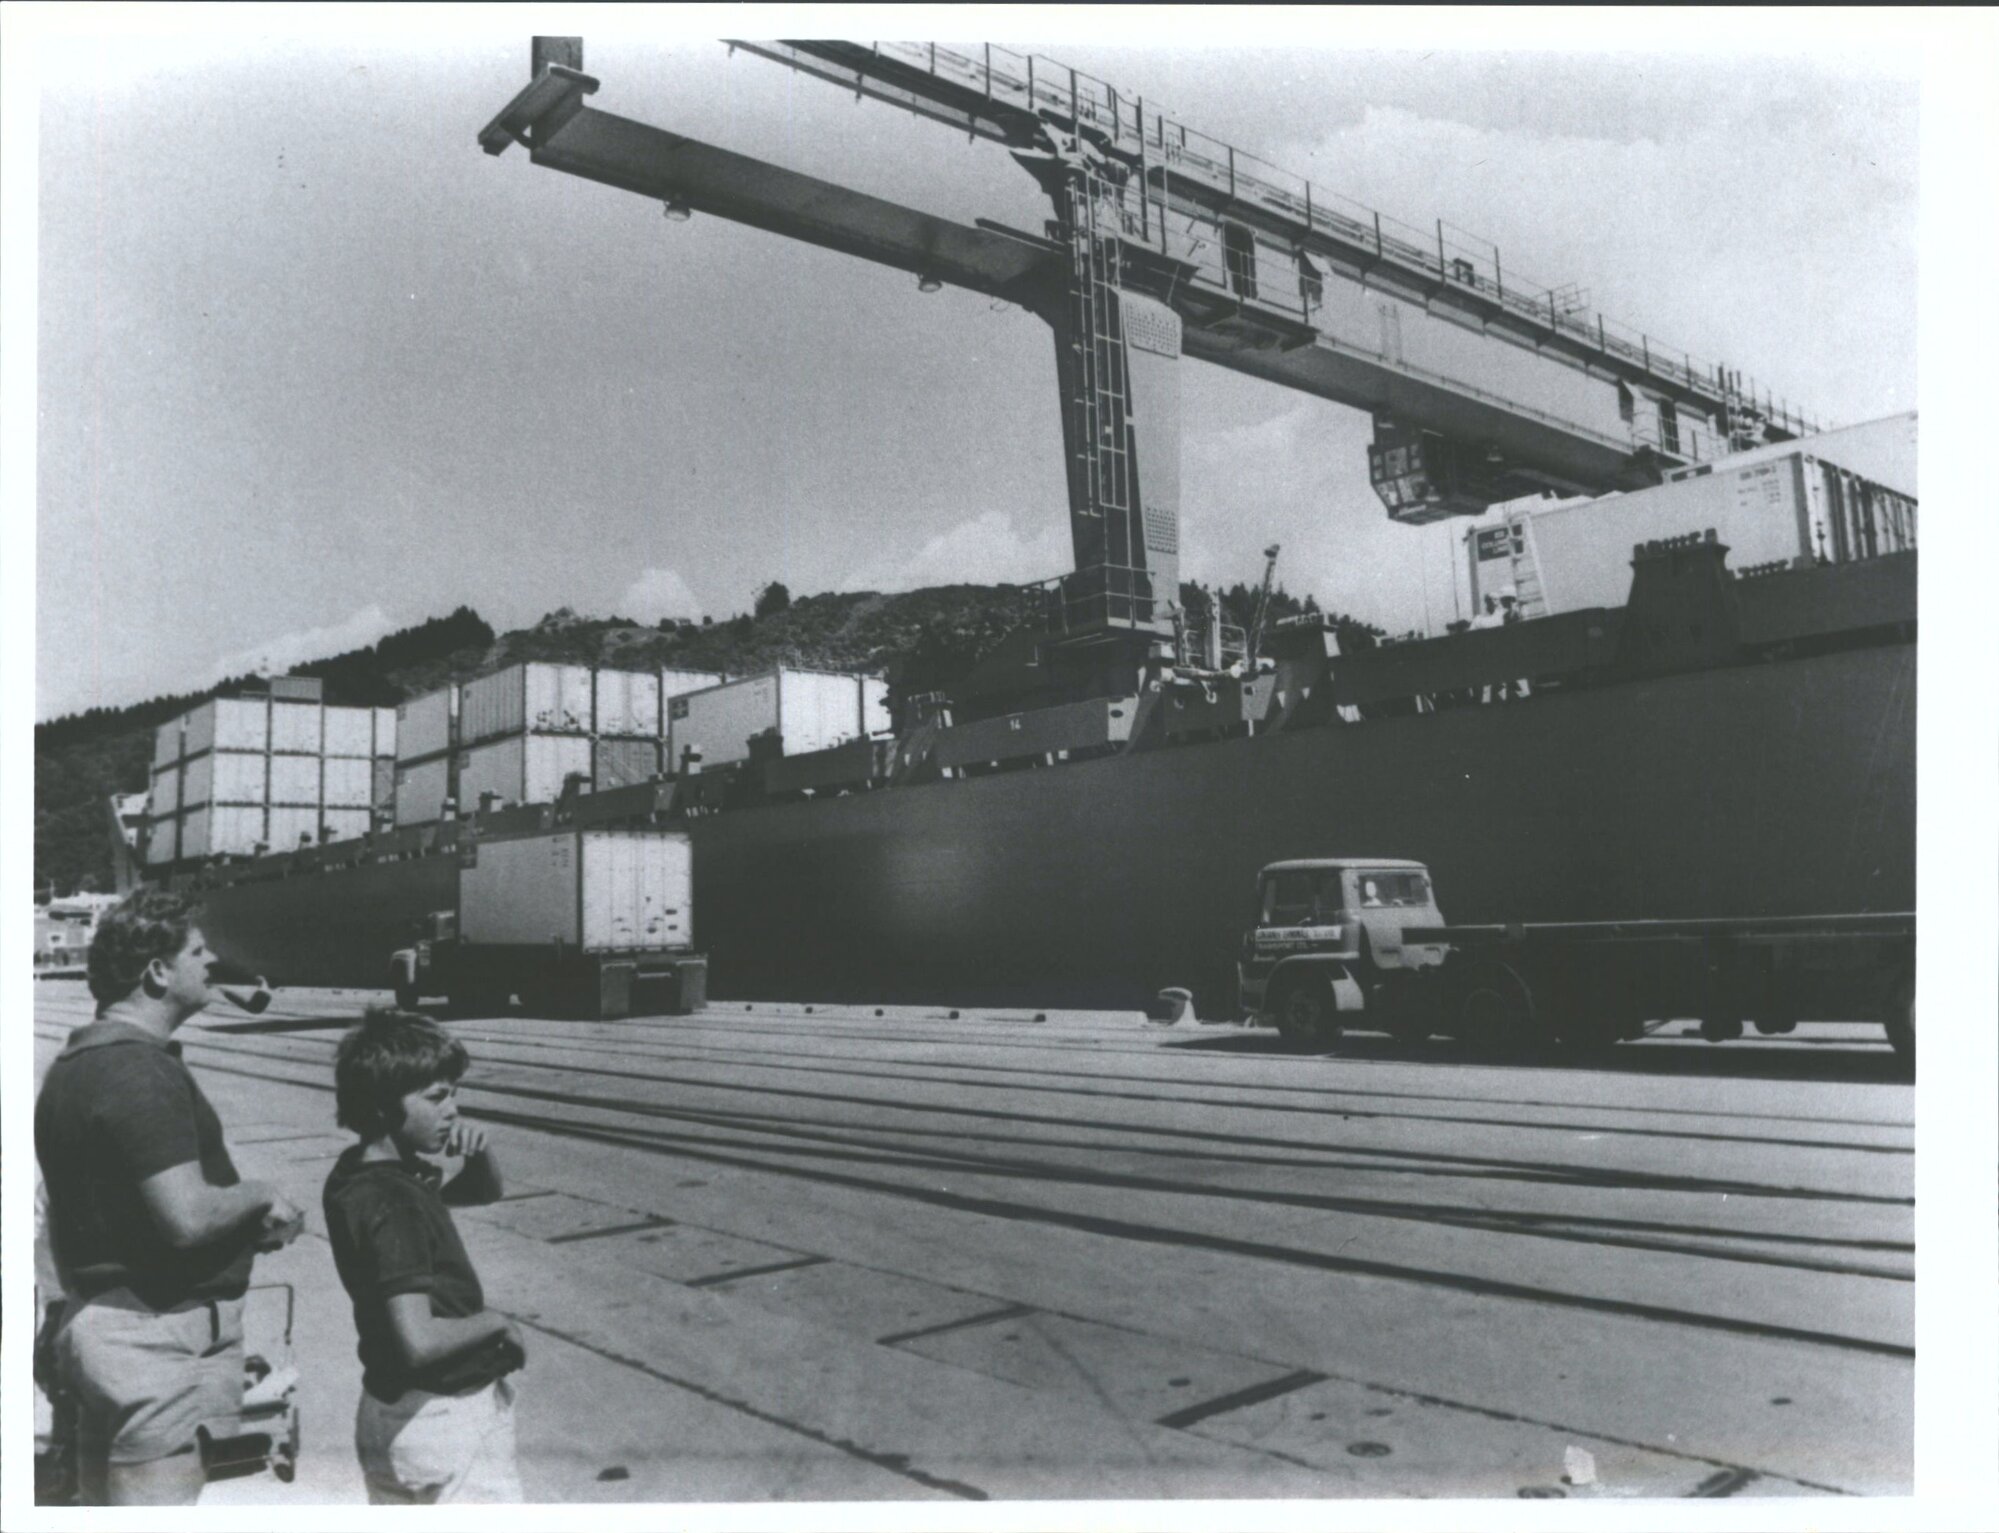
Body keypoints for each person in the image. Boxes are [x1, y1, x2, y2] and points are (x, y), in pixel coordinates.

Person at [35, 889, 306, 1505]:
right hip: (157, 1347)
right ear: (157, 972)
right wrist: (260, 1196)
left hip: (103, 1330)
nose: (211, 962)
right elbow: (185, 1217)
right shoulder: (140, 1071)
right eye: (197, 950)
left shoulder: (76, 1063)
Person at [323, 1011, 525, 1504]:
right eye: (436, 1097)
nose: (453, 1110)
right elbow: (418, 1339)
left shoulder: (362, 1175)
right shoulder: (396, 1200)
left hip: (389, 1414)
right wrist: (495, 1322)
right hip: (445, 1421)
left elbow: (481, 1192)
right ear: (382, 1107)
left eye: (453, 1093)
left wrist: (479, 1156)